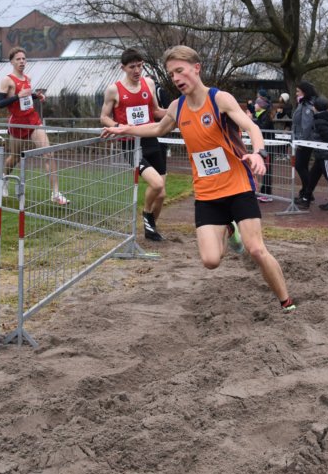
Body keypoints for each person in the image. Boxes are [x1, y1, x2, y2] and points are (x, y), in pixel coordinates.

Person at [101, 45, 296, 313]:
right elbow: (157, 128)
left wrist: (258, 153)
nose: (176, 78)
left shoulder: (219, 99)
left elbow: (251, 127)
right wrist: (125, 129)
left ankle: (286, 303)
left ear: (196, 68)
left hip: (238, 185)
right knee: (210, 261)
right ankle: (229, 228)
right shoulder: (177, 107)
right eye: (172, 74)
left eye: (180, 71)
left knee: (255, 249)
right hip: (207, 193)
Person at [100, 48, 166, 240]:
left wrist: (177, 110)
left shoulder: (149, 83)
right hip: (131, 144)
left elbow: (156, 111)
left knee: (161, 194)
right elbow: (104, 117)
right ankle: (146, 213)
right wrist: (118, 127)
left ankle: (151, 229)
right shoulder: (114, 90)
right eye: (132, 67)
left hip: (151, 139)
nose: (137, 70)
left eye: (140, 66)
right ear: (123, 68)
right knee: (156, 184)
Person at [0, 47, 66, 204]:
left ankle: (56, 194)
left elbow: (26, 98)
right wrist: (17, 96)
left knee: (48, 154)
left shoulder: (27, 78)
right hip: (17, 123)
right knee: (15, 158)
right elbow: (0, 103)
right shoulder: (7, 80)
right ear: (11, 62)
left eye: (23, 59)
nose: (22, 61)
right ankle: (4, 179)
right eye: (18, 59)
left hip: (33, 120)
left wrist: (37, 96)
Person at [308, 96, 328, 210]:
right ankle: (306, 196)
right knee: (313, 176)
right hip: (321, 153)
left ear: (317, 107)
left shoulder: (320, 122)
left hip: (325, 154)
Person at [291, 81, 318, 207]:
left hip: (305, 141)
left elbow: (306, 125)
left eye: (298, 91)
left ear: (304, 92)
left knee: (300, 166)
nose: (296, 93)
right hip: (303, 139)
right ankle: (305, 192)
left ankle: (307, 192)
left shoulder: (307, 105)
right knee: (303, 167)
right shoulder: (303, 103)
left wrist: (301, 141)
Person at [252, 95, 276, 202]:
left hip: (268, 148)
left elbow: (261, 128)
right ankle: (263, 191)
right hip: (264, 147)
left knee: (267, 170)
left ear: (261, 105)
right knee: (264, 169)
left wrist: (251, 121)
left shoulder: (266, 116)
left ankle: (267, 194)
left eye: (256, 103)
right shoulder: (260, 115)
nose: (254, 105)